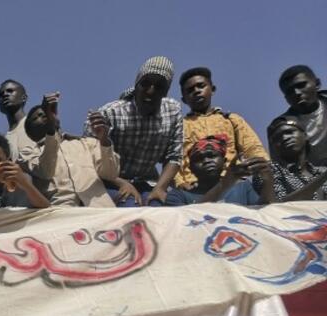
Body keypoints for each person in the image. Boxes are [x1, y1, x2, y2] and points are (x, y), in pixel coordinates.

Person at [86, 56, 183, 206]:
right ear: (136, 85)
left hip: (147, 182)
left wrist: (160, 188)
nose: (151, 91)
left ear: (166, 92)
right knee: (131, 207)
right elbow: (87, 160)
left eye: (159, 87)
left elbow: (174, 156)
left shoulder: (173, 111)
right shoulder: (110, 113)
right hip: (110, 181)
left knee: (163, 209)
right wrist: (122, 183)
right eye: (145, 84)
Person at [174, 67, 267, 191]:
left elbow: (253, 148)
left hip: (233, 184)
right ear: (184, 99)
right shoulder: (179, 126)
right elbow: (173, 160)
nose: (196, 91)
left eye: (201, 86)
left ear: (212, 90)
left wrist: (264, 171)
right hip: (195, 188)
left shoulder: (231, 120)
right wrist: (180, 183)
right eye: (190, 90)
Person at [20, 95, 119, 207]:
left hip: (100, 212)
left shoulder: (87, 143)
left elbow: (109, 174)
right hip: (63, 216)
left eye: (46, 113)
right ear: (29, 131)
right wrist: (50, 129)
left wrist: (104, 140)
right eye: (37, 117)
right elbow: (46, 171)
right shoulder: (28, 153)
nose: (44, 115)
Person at [165, 135, 268, 205]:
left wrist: (269, 179)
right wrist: (224, 184)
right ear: (190, 168)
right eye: (198, 159)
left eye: (212, 155)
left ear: (224, 161)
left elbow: (263, 216)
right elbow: (185, 222)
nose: (206, 160)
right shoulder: (178, 196)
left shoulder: (243, 187)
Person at [258, 116, 326, 202]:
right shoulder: (268, 171)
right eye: (277, 138)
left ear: (305, 136)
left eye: (289, 132)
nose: (284, 138)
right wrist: (323, 178)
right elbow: (278, 207)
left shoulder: (322, 171)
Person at [279, 65, 326, 165]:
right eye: (290, 91)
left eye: (301, 85)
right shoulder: (281, 128)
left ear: (317, 84)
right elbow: (282, 171)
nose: (296, 93)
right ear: (286, 98)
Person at [0, 79, 33, 162]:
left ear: (24, 97)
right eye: (0, 95)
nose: (5, 94)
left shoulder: (39, 125)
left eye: (10, 91)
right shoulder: (4, 142)